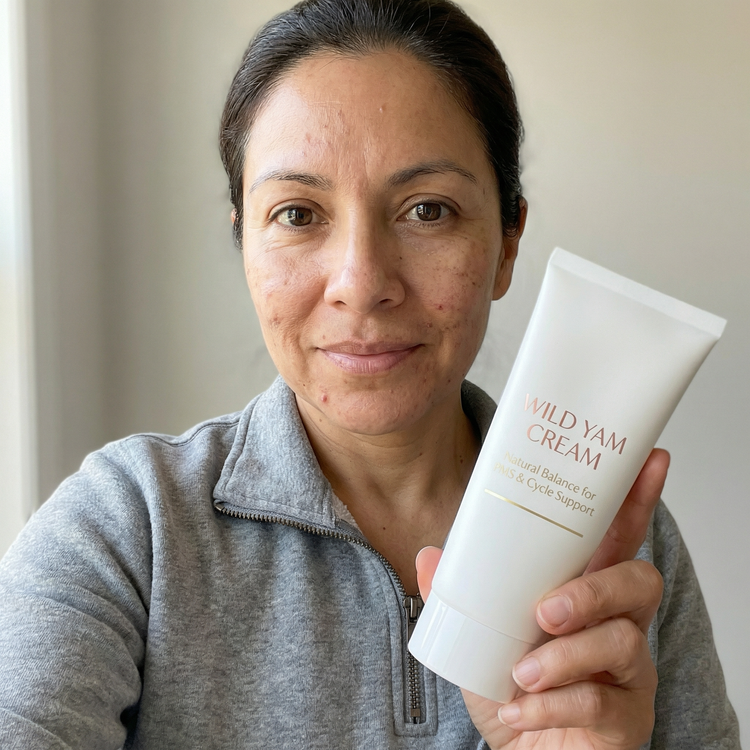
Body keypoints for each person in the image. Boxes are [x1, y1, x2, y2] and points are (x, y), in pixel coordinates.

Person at [0, 0, 740, 748]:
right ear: (244, 244)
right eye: (297, 214)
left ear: (508, 242)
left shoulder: (614, 544)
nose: (361, 283)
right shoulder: (128, 530)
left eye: (428, 210)